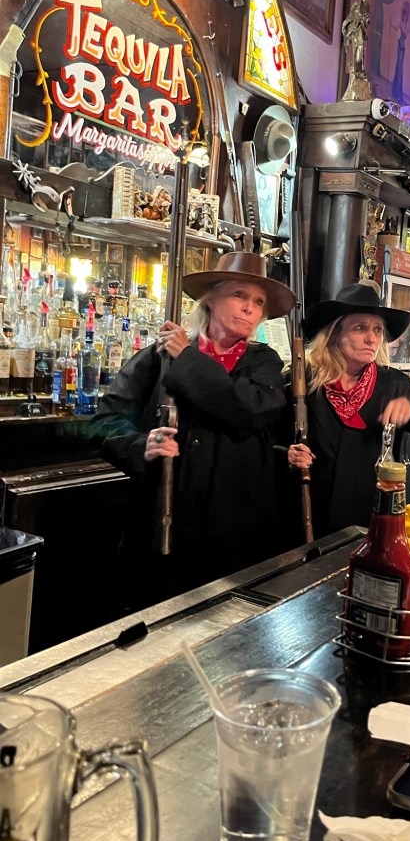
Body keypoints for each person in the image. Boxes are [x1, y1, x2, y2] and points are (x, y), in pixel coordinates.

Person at [94, 252, 296, 599]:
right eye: (239, 295)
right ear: (211, 299)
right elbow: (105, 422)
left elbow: (248, 410)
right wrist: (142, 445)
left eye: (258, 302)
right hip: (163, 521)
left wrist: (187, 359)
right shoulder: (159, 356)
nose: (249, 308)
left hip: (236, 529)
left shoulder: (263, 362)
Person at [286, 282, 410, 539]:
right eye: (360, 328)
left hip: (370, 521)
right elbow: (275, 440)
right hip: (309, 519)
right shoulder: (303, 381)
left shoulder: (393, 384)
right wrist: (289, 454)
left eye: (377, 329)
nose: (372, 338)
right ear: (335, 333)